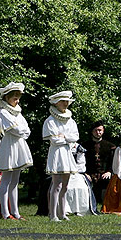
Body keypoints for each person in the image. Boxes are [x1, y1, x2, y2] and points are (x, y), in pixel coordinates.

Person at [0, 82, 33, 220]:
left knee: (15, 180)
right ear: (7, 98)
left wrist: (21, 130)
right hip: (9, 145)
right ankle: (5, 213)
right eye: (14, 97)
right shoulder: (3, 112)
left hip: (19, 145)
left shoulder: (18, 112)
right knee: (6, 179)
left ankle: (15, 212)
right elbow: (14, 129)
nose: (17, 100)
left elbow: (26, 130)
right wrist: (21, 130)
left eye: (18, 97)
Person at [42, 91, 79, 222]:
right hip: (57, 153)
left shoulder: (71, 120)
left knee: (65, 185)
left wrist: (65, 137)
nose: (65, 104)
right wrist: (66, 139)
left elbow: (75, 137)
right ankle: (53, 214)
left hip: (67, 152)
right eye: (63, 101)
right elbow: (54, 140)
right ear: (56, 102)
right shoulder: (50, 120)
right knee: (56, 184)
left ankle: (62, 213)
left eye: (67, 101)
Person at [81, 121, 115, 205]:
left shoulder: (110, 146)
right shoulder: (84, 146)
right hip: (89, 174)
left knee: (108, 181)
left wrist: (109, 172)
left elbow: (113, 161)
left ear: (103, 131)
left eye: (100, 130)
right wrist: (85, 173)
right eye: (95, 130)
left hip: (105, 173)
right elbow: (81, 162)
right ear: (92, 131)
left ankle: (106, 204)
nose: (98, 132)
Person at [63, 143, 96, 216]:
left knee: (81, 187)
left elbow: (81, 164)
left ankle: (81, 210)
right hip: (62, 172)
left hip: (77, 173)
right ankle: (64, 209)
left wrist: (73, 170)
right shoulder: (60, 147)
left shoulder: (78, 148)